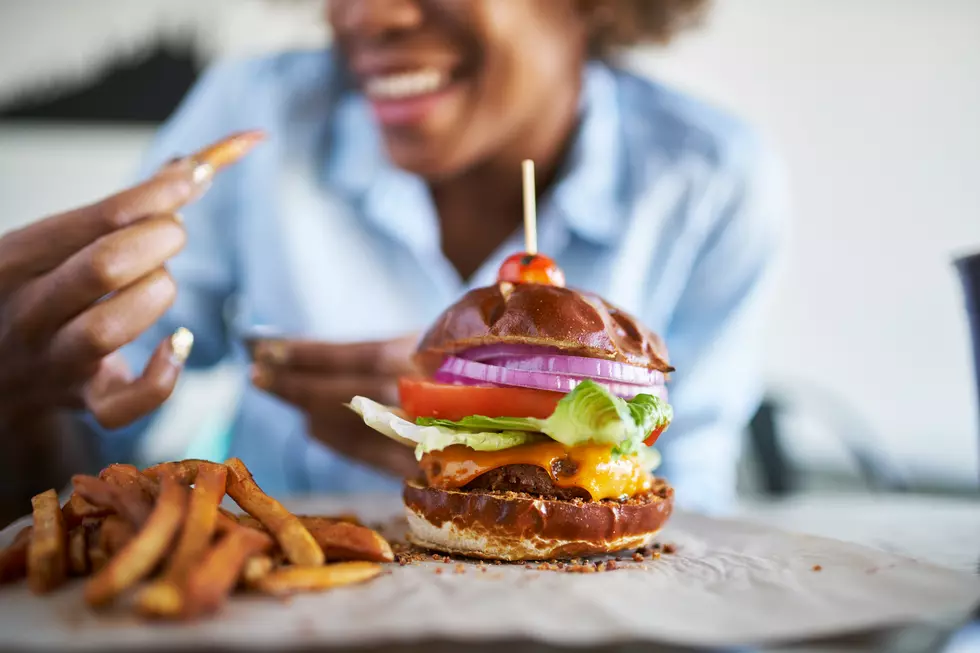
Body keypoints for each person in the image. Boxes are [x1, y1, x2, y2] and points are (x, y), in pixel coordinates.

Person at [0, 0, 784, 517]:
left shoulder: (705, 176)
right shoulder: (254, 118)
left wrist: (526, 433)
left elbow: (697, 505)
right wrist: (21, 392)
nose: (365, 15)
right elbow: (81, 456)